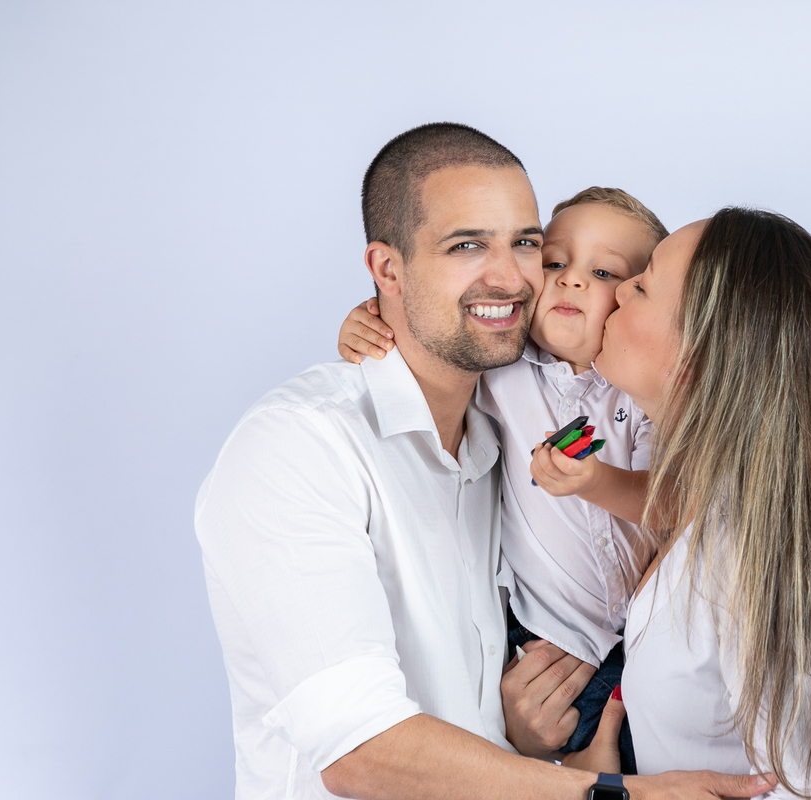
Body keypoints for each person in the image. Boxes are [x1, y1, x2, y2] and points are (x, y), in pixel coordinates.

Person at [195, 122, 772, 800]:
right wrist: (615, 794)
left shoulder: (494, 440)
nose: (512, 277)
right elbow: (357, 749)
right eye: (466, 245)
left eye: (525, 243)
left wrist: (526, 735)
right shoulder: (299, 446)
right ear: (387, 269)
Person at [577, 208, 811, 798]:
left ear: (699, 359)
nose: (617, 289)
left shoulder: (760, 565)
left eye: (642, 285)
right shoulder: (707, 519)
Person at [337, 187, 668, 772]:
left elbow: (666, 505)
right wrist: (367, 320)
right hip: (551, 641)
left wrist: (591, 481)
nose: (569, 281)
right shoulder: (503, 367)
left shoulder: (641, 396)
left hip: (648, 644)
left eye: (602, 272)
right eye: (555, 263)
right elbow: (432, 340)